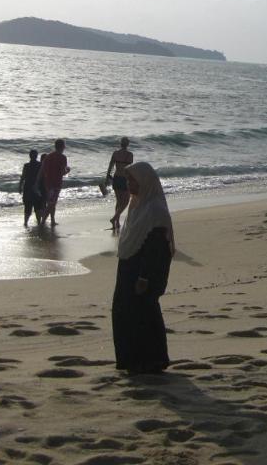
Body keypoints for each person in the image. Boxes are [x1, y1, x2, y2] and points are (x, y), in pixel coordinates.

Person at [112, 162, 175, 374]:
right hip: (129, 267)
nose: (129, 184)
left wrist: (145, 277)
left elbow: (156, 249)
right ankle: (131, 360)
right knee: (125, 314)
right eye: (128, 180)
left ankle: (151, 361)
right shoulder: (136, 205)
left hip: (143, 273)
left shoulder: (155, 209)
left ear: (145, 182)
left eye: (133, 180)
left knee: (144, 315)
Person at [39, 138, 70, 226]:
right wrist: (68, 170)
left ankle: (52, 220)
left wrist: (37, 182)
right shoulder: (63, 157)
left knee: (51, 203)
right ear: (62, 147)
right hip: (56, 184)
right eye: (64, 146)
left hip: (48, 183)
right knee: (52, 204)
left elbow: (42, 170)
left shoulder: (48, 156)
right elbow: (62, 172)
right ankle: (43, 221)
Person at [106, 137, 135, 232]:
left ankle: (116, 222)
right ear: (128, 144)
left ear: (120, 144)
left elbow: (110, 166)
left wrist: (107, 177)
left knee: (118, 201)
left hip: (116, 178)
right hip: (124, 179)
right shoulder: (130, 155)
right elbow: (130, 169)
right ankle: (114, 218)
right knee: (126, 201)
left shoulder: (115, 153)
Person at [18, 149, 43, 227]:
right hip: (37, 188)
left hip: (28, 188)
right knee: (38, 207)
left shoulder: (26, 165)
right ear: (36, 156)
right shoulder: (40, 165)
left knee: (28, 207)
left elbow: (23, 177)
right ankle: (39, 222)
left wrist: (20, 186)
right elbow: (43, 177)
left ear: (29, 156)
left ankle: (25, 223)